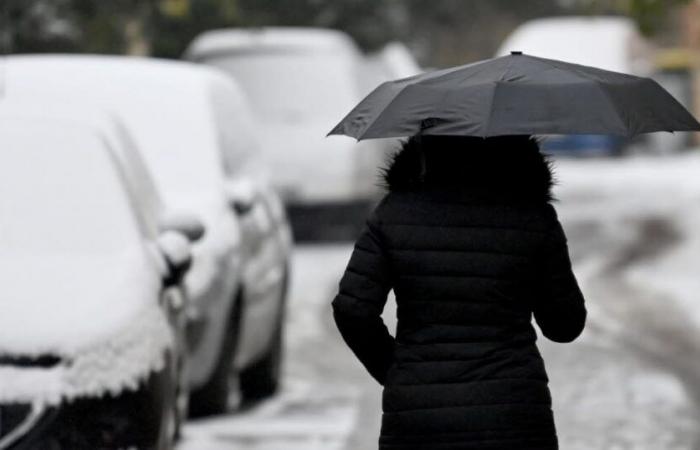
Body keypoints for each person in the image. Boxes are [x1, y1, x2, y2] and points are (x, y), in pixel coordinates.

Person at [332, 134, 586, 450]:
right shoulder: (531, 214)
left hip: (419, 415)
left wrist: (399, 369)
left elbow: (352, 308)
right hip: (512, 411)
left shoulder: (394, 213)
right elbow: (564, 326)